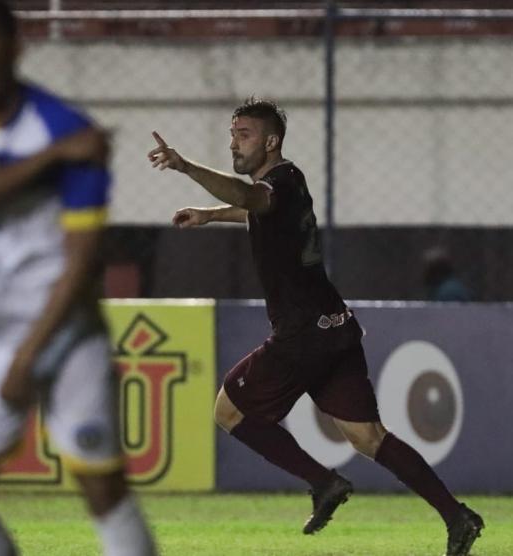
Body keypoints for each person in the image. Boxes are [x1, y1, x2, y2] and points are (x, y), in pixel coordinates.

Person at [148, 96, 483, 556]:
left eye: (243, 134)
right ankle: (457, 516)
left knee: (229, 412)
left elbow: (250, 198)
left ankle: (323, 482)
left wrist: (186, 166)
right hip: (336, 325)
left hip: (303, 333)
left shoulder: (274, 183)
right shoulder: (287, 183)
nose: (233, 143)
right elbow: (255, 209)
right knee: (368, 437)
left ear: (271, 141)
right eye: (231, 134)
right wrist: (210, 215)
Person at [0, 1, 156, 555]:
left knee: (103, 489)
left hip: (65, 333)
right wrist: (54, 158)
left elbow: (82, 263)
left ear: (16, 47)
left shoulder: (69, 127)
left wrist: (29, 356)